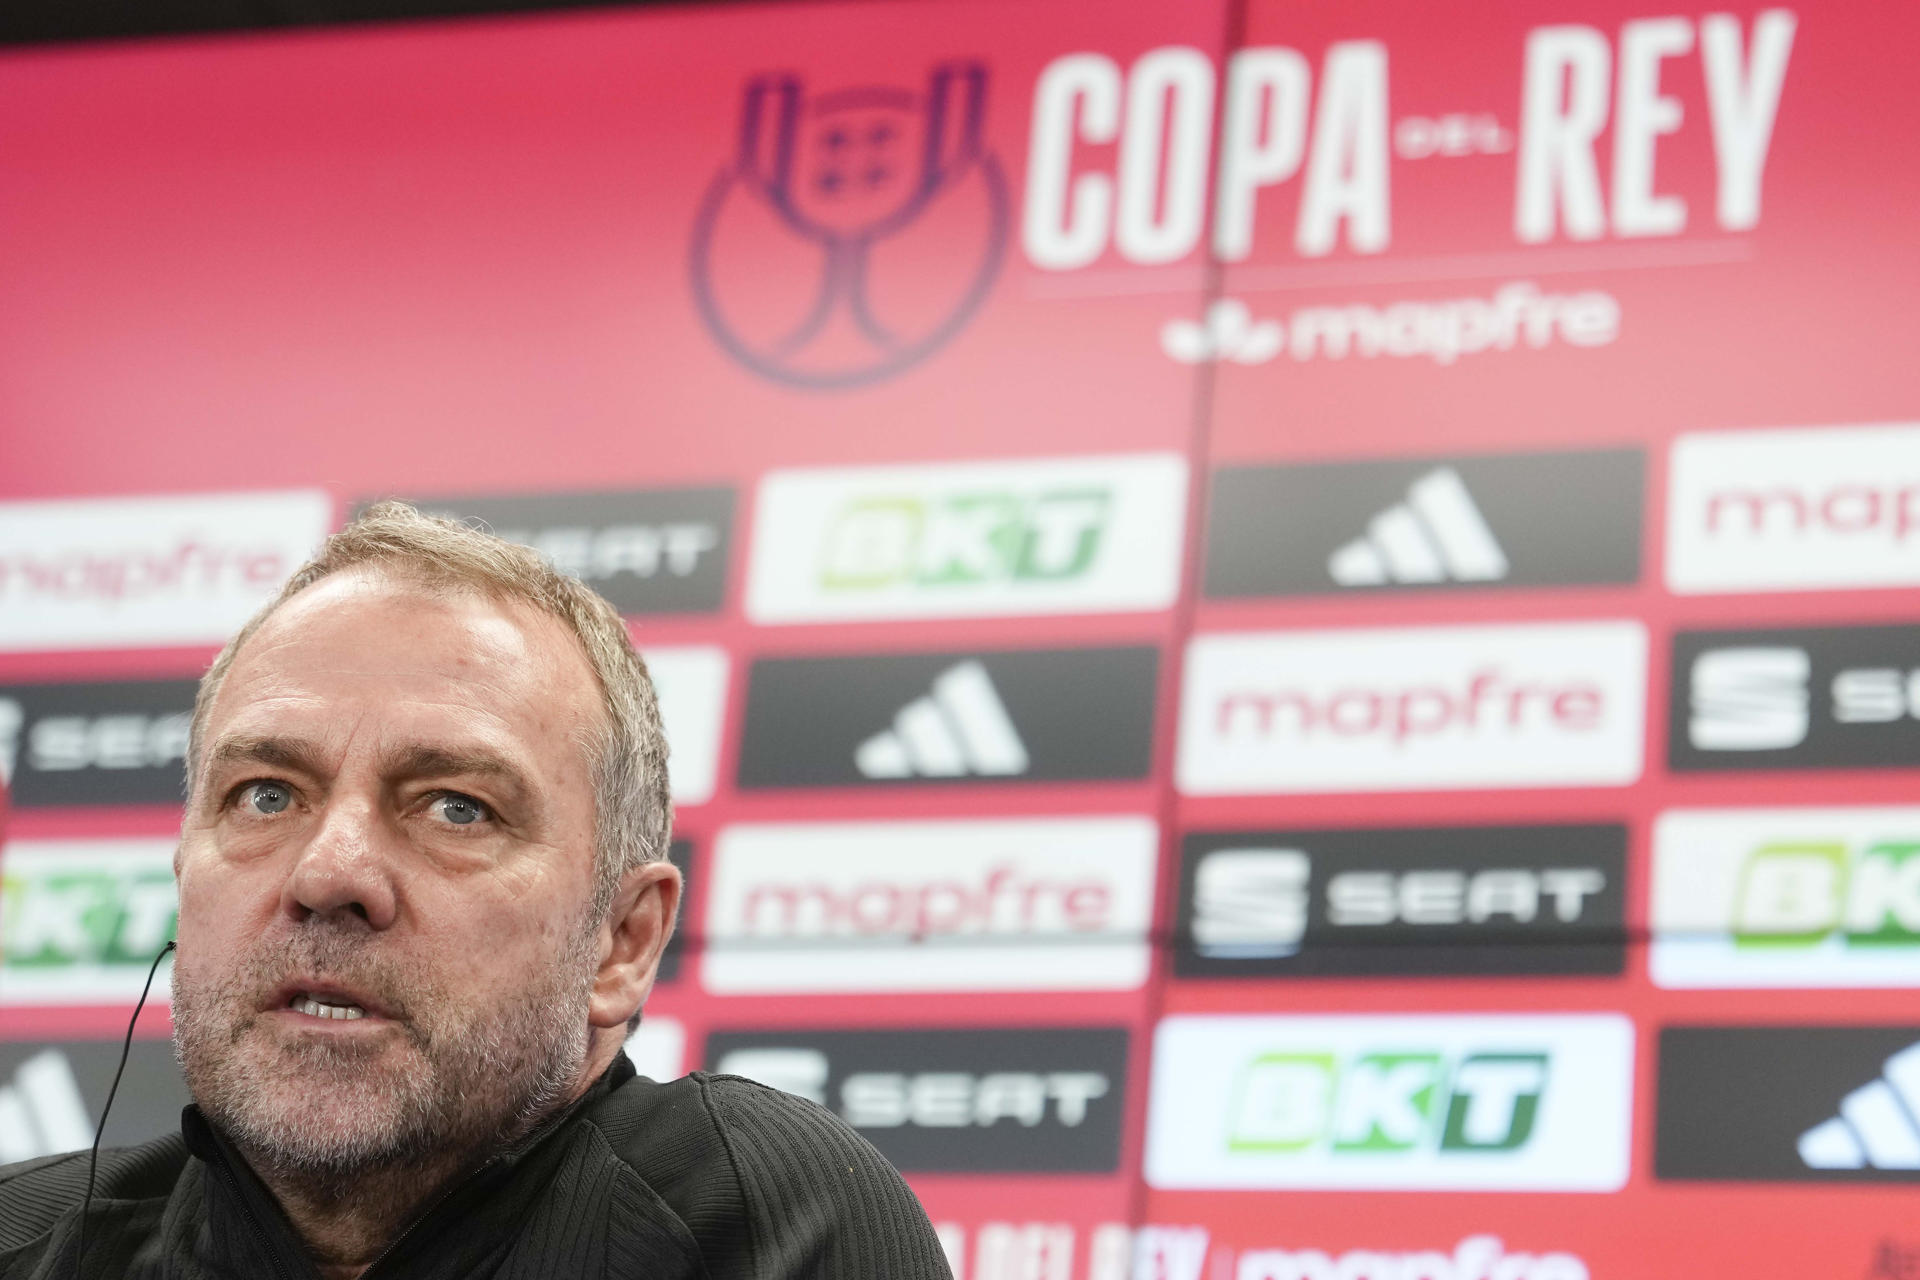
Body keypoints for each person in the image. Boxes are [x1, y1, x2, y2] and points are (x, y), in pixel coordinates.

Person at [0, 503, 953, 1280]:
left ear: (622, 943)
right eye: (266, 794)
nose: (328, 874)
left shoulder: (762, 1227)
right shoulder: (25, 1242)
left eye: (456, 808)